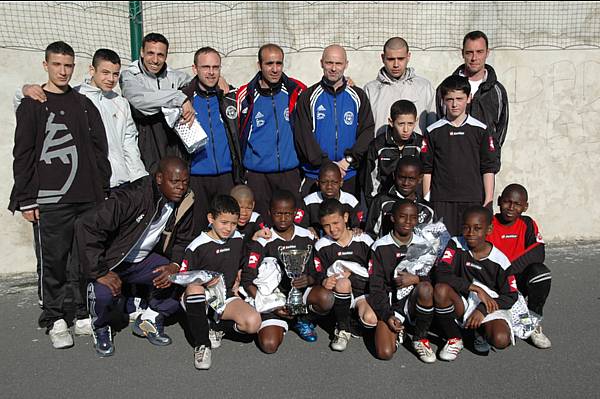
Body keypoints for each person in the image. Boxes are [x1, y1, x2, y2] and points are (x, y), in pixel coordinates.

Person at [9, 41, 111, 349]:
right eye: (57, 65)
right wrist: (26, 197)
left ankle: (80, 313)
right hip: (50, 199)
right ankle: (54, 318)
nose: (63, 71)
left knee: (80, 261)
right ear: (46, 65)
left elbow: (99, 150)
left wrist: (101, 190)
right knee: (52, 262)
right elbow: (23, 153)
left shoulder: (83, 103)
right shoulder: (32, 103)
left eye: (68, 65)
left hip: (85, 197)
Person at [75, 157, 194, 357]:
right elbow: (86, 225)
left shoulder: (185, 200)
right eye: (174, 182)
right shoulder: (132, 196)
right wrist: (99, 271)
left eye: (185, 181)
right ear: (159, 178)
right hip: (112, 262)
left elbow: (183, 239)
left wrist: (174, 264)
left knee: (181, 278)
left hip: (142, 261)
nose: (181, 187)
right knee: (103, 294)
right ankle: (101, 327)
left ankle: (150, 317)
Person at [18, 48, 148, 189]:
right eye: (105, 73)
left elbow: (129, 143)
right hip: (91, 185)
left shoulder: (121, 103)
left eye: (115, 74)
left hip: (122, 183)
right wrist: (24, 90)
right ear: (92, 70)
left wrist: (139, 178)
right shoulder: (76, 96)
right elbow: (23, 107)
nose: (111, 79)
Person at [240, 190, 333, 353]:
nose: (283, 218)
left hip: (301, 295)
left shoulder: (307, 237)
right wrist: (272, 305)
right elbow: (248, 280)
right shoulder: (263, 240)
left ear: (295, 213)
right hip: (274, 300)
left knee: (326, 298)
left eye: (287, 214)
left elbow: (319, 271)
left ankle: (303, 319)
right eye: (278, 214)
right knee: (269, 345)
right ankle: (277, 319)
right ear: (269, 213)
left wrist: (309, 280)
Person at [179, 195, 261, 370]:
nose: (228, 228)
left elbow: (240, 262)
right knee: (194, 289)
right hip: (201, 295)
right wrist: (204, 280)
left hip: (225, 295)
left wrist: (239, 273)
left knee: (253, 323)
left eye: (233, 223)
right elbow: (183, 278)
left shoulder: (237, 238)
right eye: (223, 222)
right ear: (211, 219)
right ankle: (202, 344)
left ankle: (216, 326)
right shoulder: (197, 246)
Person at [433, 206, 517, 361]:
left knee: (500, 340)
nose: (470, 233)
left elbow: (511, 296)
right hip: (464, 298)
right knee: (440, 290)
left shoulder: (500, 261)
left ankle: (480, 331)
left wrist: (483, 309)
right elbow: (441, 273)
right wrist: (475, 288)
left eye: (477, 228)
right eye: (466, 227)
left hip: (488, 304)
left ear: (489, 229)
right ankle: (455, 338)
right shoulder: (455, 244)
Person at [422, 75, 500, 236]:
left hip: (473, 198)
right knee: (442, 247)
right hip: (442, 200)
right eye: (450, 99)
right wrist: (427, 199)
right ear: (443, 100)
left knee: (469, 246)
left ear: (469, 98)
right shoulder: (433, 131)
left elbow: (488, 168)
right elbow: (427, 169)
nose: (455, 104)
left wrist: (488, 200)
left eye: (459, 98)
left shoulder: (480, 129)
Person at [294, 44, 375, 199]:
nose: (333, 68)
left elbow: (367, 131)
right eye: (329, 63)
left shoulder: (358, 96)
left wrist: (348, 160)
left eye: (338, 63)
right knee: (314, 222)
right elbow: (303, 136)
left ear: (346, 65)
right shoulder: (308, 96)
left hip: (348, 173)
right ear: (321, 63)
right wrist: (326, 164)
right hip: (316, 175)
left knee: (348, 221)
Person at [236, 43, 306, 221]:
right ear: (259, 65)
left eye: (279, 63)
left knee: (293, 226)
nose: (275, 69)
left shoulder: (296, 91)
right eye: (269, 64)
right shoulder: (244, 96)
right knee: (262, 227)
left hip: (289, 173)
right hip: (258, 177)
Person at [182, 47, 243, 233]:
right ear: (195, 69)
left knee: (227, 230)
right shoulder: (183, 98)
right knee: (197, 230)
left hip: (225, 176)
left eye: (215, 67)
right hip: (196, 177)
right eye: (205, 67)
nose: (211, 72)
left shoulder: (229, 96)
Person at [368, 200, 436, 362]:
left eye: (412, 217)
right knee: (385, 353)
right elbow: (376, 287)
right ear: (392, 218)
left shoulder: (424, 245)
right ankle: (399, 332)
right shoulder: (379, 246)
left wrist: (417, 278)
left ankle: (419, 337)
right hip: (391, 304)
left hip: (413, 301)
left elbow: (437, 277)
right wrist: (387, 315)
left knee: (425, 288)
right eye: (402, 217)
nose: (407, 222)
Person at [486, 184, 551, 349]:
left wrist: (507, 270)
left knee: (540, 273)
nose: (511, 207)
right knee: (501, 338)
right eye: (507, 202)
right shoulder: (488, 223)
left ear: (525, 206)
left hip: (515, 278)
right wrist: (500, 274)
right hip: (494, 282)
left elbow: (538, 253)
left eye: (517, 204)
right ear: (499, 201)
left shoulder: (527, 223)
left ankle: (534, 320)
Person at [120, 33, 195, 173]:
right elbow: (140, 100)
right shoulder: (129, 76)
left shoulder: (174, 75)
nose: (155, 60)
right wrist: (179, 98)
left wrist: (219, 80)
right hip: (144, 139)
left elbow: (196, 84)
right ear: (142, 52)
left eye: (160, 55)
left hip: (172, 140)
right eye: (150, 53)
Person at [315, 199, 376, 351]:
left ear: (346, 217)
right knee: (342, 283)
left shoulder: (364, 240)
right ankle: (343, 329)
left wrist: (354, 276)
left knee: (371, 320)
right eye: (326, 226)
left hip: (362, 292)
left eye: (336, 223)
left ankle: (353, 321)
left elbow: (375, 272)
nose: (332, 229)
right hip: (339, 291)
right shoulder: (321, 245)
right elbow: (315, 272)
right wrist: (323, 281)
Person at [436, 30, 509, 150]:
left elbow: (502, 127)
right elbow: (440, 123)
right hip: (452, 159)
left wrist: (492, 156)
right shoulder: (444, 89)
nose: (474, 58)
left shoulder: (498, 91)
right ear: (462, 54)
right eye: (469, 52)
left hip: (484, 162)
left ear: (487, 53)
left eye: (479, 52)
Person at [364, 37, 436, 136]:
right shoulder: (370, 90)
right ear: (382, 58)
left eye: (401, 59)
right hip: (381, 150)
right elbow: (365, 128)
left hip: (416, 150)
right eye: (391, 59)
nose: (396, 64)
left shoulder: (424, 87)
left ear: (408, 57)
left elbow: (433, 126)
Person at [362, 99, 423, 207]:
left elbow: (426, 175)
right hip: (385, 202)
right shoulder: (378, 145)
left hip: (413, 204)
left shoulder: (420, 144)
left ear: (416, 121)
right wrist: (375, 206)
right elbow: (370, 181)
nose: (406, 129)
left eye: (410, 124)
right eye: (401, 124)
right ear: (391, 122)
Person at [365, 157, 433, 239]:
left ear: (420, 178)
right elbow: (370, 234)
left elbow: (431, 241)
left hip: (417, 251)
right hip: (385, 250)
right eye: (402, 177)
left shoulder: (426, 209)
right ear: (394, 175)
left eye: (411, 179)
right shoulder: (381, 201)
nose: (406, 183)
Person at [301, 162, 363, 236]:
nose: (329, 187)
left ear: (341, 182)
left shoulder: (351, 202)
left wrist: (356, 230)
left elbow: (357, 226)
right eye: (324, 182)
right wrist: (306, 229)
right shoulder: (308, 202)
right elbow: (299, 226)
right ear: (317, 182)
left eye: (334, 182)